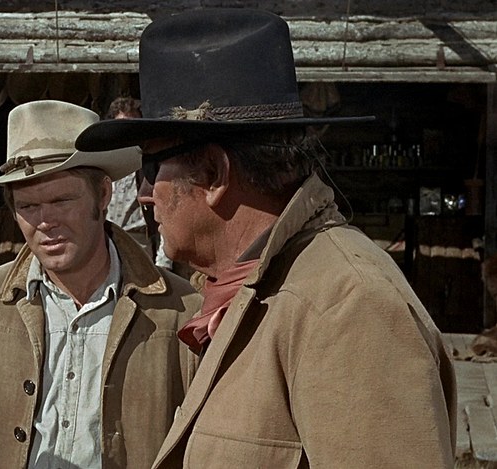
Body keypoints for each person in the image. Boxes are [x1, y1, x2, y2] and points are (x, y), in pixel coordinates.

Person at [76, 9, 456, 468]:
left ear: (213, 174)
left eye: (151, 168)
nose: (143, 193)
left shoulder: (348, 308)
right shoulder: (247, 287)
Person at [0, 100, 202, 469]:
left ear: (103, 194)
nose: (45, 221)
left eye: (62, 200)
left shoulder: (180, 310)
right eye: (28, 207)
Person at [104, 97, 174, 270]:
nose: (126, 133)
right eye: (120, 126)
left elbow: (165, 215)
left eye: (131, 125)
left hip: (139, 242)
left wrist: (163, 263)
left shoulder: (150, 165)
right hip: (106, 243)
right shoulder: (105, 164)